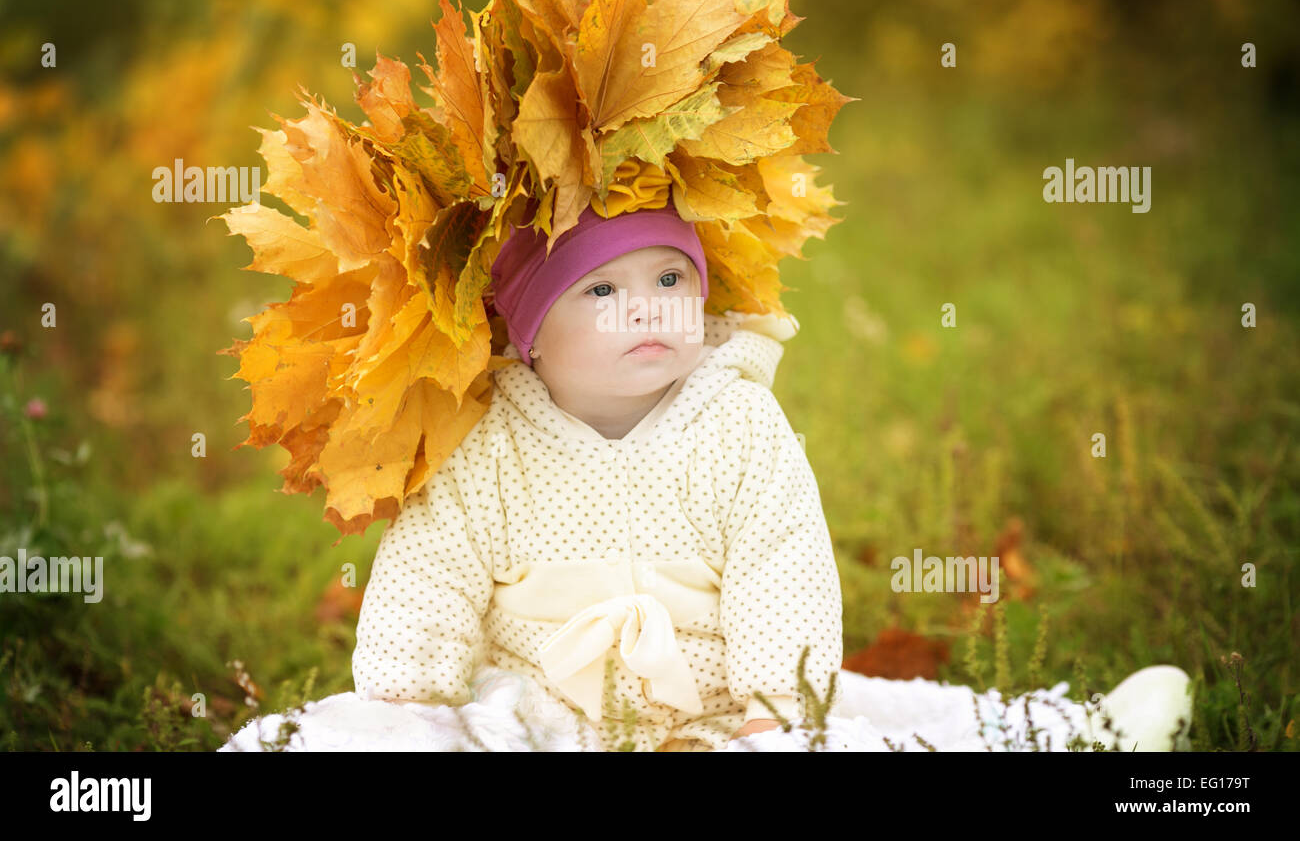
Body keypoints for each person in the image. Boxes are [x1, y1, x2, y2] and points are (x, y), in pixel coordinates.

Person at [221, 204, 1194, 753]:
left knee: (852, 723)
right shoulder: (488, 441)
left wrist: (779, 692)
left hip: (724, 708)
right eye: (599, 290)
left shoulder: (735, 420)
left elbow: (782, 557)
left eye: (668, 280)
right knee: (384, 740)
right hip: (538, 708)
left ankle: (1065, 731)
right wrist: (409, 687)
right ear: (527, 334)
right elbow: (430, 562)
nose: (642, 306)